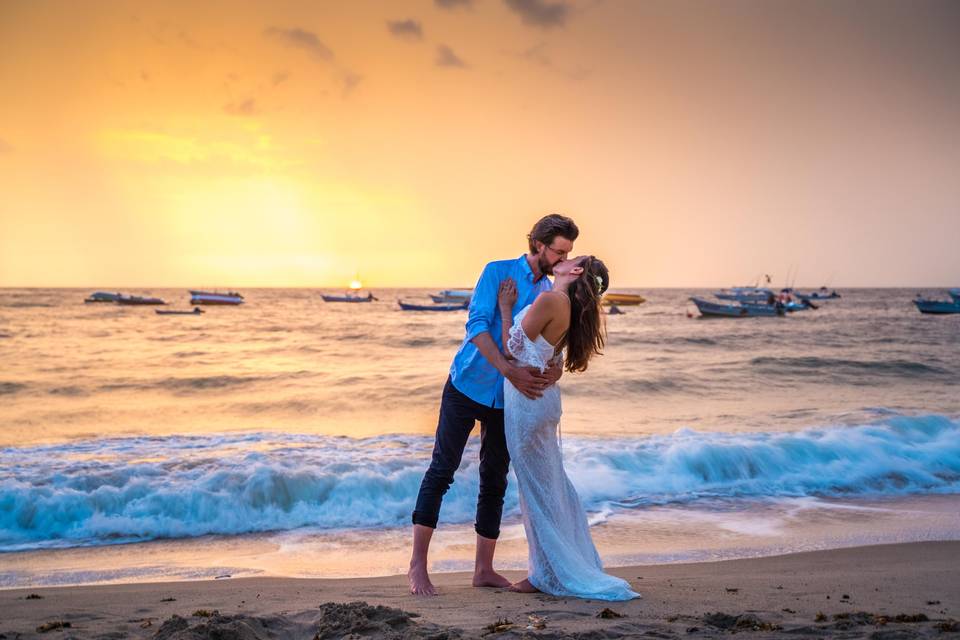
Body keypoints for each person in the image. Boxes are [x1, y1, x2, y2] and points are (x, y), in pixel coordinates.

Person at [408, 214, 580, 596]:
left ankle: (483, 569)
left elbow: (552, 350)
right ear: (539, 244)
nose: (563, 257)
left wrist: (556, 371)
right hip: (467, 385)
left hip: (509, 401)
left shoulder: (552, 293)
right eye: (559, 250)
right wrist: (507, 369)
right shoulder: (498, 272)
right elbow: (477, 326)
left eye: (567, 251)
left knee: (494, 481)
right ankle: (417, 566)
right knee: (442, 469)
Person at [497, 255, 640, 601]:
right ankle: (550, 568)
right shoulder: (570, 307)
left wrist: (505, 309)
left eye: (571, 258)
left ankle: (543, 574)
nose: (563, 259)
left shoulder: (551, 300)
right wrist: (555, 367)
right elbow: (551, 354)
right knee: (550, 485)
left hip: (527, 402)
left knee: (536, 491)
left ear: (574, 271)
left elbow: (512, 348)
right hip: (543, 400)